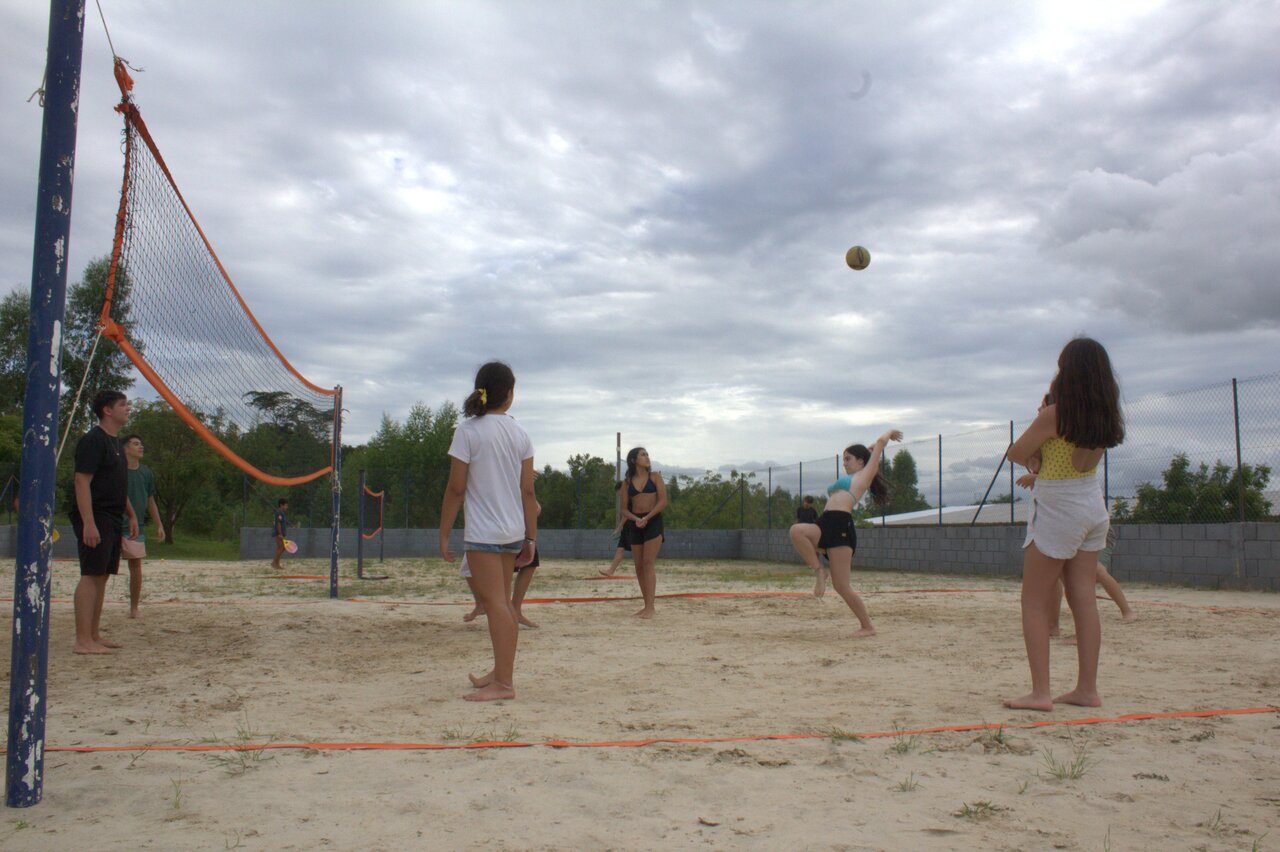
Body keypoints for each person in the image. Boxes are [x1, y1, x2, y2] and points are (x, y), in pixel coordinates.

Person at [1003, 337, 1125, 712]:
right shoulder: (1105, 415)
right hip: (1092, 504)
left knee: (1034, 602)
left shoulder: (1055, 415)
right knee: (1083, 599)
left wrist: (1041, 425)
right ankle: (1087, 689)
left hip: (1058, 506)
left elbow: (1016, 453)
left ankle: (1040, 693)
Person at [439, 361, 537, 701]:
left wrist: (443, 532)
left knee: (496, 605)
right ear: (509, 394)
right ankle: (500, 672)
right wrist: (531, 537)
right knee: (503, 604)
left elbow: (456, 488)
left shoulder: (467, 431)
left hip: (483, 534)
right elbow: (528, 491)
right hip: (512, 531)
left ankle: (504, 684)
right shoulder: (520, 433)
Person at [1016, 396, 1135, 636]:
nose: (1039, 409)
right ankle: (1054, 626)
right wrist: (1034, 464)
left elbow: (1067, 475)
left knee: (1094, 574)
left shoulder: (1067, 430)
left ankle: (1126, 610)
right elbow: (1047, 466)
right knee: (1060, 577)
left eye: (1043, 405)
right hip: (1073, 518)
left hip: (1081, 519)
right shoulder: (1050, 434)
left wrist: (1035, 475)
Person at [787, 430, 901, 635]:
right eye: (843, 460)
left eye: (848, 459)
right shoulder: (852, 475)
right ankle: (819, 570)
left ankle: (867, 626)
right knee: (797, 531)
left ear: (860, 461)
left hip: (841, 526)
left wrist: (888, 435)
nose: (845, 463)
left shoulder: (864, 475)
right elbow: (870, 450)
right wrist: (869, 450)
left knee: (842, 586)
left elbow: (879, 443)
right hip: (824, 522)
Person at [70, 390, 139, 654]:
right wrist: (88, 522)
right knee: (91, 574)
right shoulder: (93, 440)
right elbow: (81, 481)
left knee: (102, 574)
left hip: (112, 516)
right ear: (107, 410)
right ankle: (82, 640)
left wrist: (131, 514)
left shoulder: (116, 444)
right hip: (95, 514)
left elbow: (117, 485)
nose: (127, 408)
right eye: (123, 405)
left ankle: (93, 635)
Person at [461, 500, 543, 629]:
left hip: (503, 526)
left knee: (529, 563)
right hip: (495, 526)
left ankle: (509, 609)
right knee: (474, 567)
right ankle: (488, 606)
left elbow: (532, 502)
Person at [620, 447, 667, 619]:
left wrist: (647, 517)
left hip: (653, 521)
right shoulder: (627, 483)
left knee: (648, 563)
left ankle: (651, 608)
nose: (647, 457)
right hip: (636, 523)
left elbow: (663, 501)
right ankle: (646, 606)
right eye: (643, 455)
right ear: (634, 460)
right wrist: (636, 519)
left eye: (647, 454)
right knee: (639, 566)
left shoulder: (655, 477)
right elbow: (624, 509)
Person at [121, 434, 165, 619]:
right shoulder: (117, 470)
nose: (141, 447)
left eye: (141, 444)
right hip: (113, 524)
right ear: (125, 448)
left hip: (135, 527)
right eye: (136, 444)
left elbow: (151, 500)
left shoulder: (146, 473)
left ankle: (134, 608)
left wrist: (159, 524)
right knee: (103, 569)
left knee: (136, 566)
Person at [598, 480, 630, 577]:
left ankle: (645, 571)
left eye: (618, 492)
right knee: (620, 549)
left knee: (638, 550)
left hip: (633, 527)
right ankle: (610, 571)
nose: (618, 494)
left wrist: (619, 527)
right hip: (627, 528)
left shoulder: (629, 498)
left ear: (622, 489)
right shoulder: (626, 498)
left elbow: (627, 515)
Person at [271, 498, 289, 570]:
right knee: (281, 548)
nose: (287, 507)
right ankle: (274, 563)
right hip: (278, 534)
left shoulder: (281, 513)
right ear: (281, 505)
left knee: (281, 548)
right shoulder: (279, 513)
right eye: (286, 505)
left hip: (280, 533)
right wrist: (280, 533)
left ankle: (276, 563)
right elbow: (278, 524)